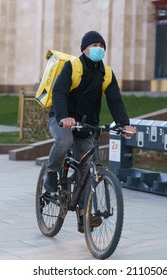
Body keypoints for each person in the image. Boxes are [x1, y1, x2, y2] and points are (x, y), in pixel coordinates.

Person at [43, 30, 136, 231]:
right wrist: (63, 117)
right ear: (84, 49)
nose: (98, 49)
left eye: (102, 46)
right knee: (64, 141)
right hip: (62, 119)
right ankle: (51, 172)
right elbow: (59, 92)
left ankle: (84, 217)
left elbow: (115, 101)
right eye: (94, 46)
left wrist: (124, 123)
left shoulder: (107, 73)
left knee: (86, 169)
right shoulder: (73, 67)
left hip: (86, 125)